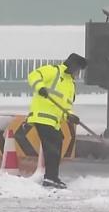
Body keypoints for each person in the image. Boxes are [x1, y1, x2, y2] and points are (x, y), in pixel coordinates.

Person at [27, 53, 87, 189]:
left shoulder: (70, 85)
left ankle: (52, 177)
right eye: (78, 69)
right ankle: (50, 177)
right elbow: (33, 75)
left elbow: (66, 107)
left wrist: (71, 116)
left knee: (57, 145)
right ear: (72, 66)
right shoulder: (54, 71)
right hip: (41, 117)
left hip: (53, 122)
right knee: (52, 148)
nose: (78, 73)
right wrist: (40, 88)